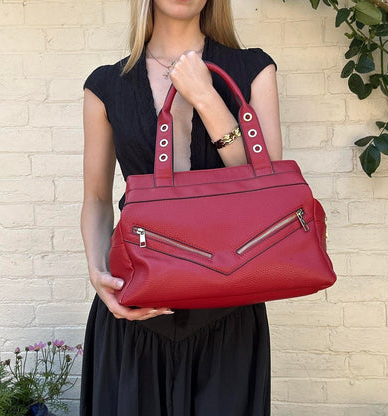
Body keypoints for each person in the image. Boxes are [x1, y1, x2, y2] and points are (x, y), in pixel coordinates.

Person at [80, 0, 282, 415]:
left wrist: (206, 96)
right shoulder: (106, 84)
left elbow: (267, 192)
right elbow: (98, 198)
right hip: (135, 309)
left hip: (228, 311)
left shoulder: (253, 70)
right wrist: (98, 273)